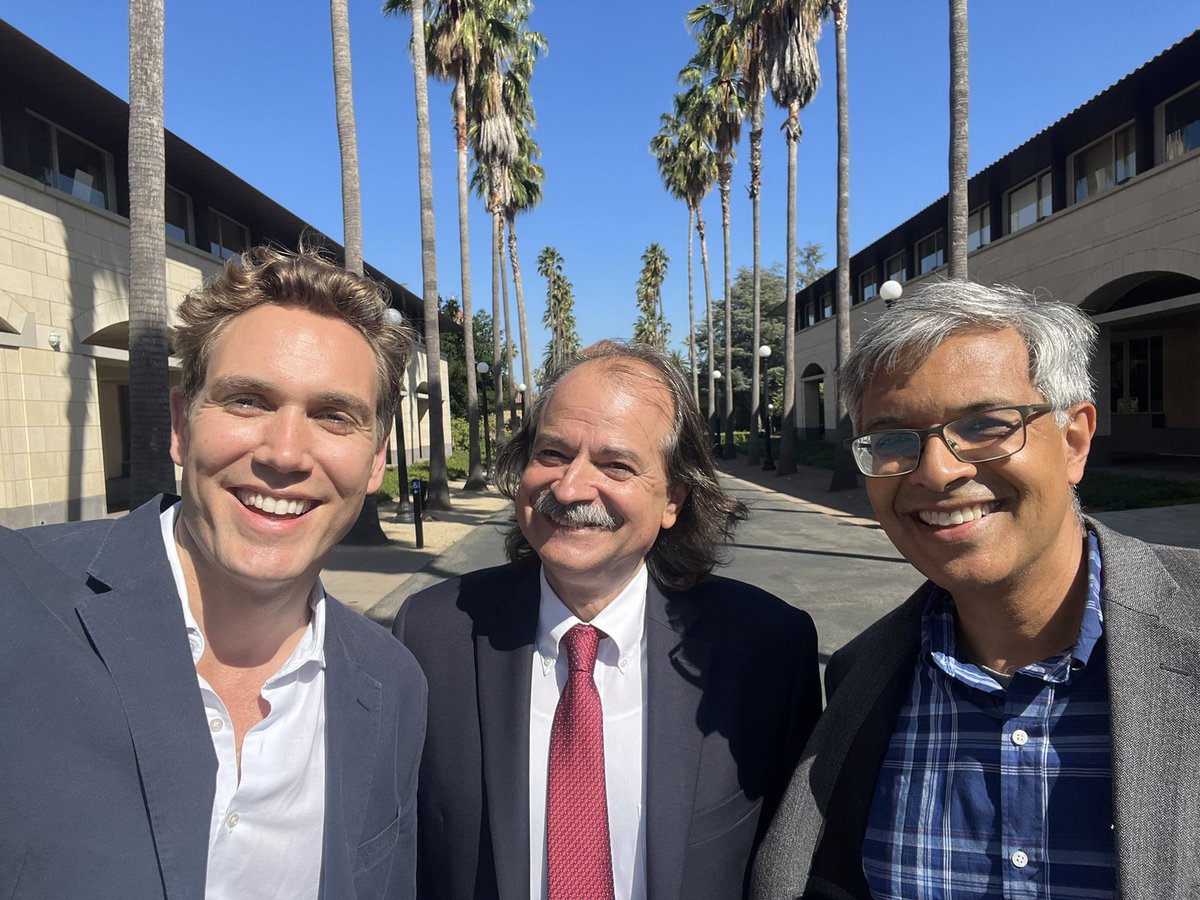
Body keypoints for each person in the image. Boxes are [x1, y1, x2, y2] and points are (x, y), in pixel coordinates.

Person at [0, 246, 427, 899]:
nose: (284, 454)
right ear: (180, 425)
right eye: (249, 401)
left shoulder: (393, 685)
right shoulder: (15, 603)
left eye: (333, 415)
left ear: (375, 462)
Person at [752, 282, 1200, 900]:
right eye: (892, 440)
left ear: (1074, 440)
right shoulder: (861, 682)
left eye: (986, 424)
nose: (937, 471)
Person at [394, 340, 821, 900]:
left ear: (673, 498)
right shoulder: (430, 632)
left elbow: (789, 864)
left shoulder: (766, 649)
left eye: (615, 465)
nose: (570, 488)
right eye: (551, 454)